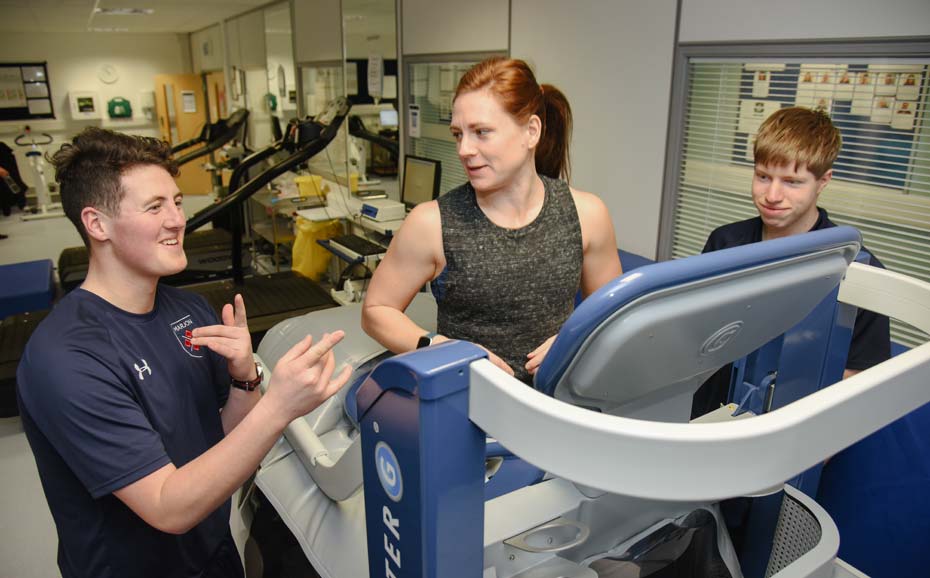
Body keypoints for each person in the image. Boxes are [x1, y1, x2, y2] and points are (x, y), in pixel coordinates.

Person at [17, 127, 351, 578]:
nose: (178, 220)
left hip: (213, 553)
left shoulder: (188, 309)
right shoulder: (66, 358)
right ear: (97, 224)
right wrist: (279, 407)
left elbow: (219, 439)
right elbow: (165, 506)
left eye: (176, 202)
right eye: (155, 207)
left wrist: (244, 379)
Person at [361, 57, 622, 384]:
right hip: (466, 404)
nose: (464, 149)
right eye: (458, 134)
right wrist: (439, 347)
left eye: (481, 132)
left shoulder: (587, 215)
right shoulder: (431, 223)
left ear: (531, 131)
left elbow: (614, 318)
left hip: (557, 400)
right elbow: (376, 311)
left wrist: (575, 342)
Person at [691, 106, 891, 418]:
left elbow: (860, 375)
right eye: (762, 176)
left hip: (795, 427)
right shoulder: (725, 242)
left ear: (823, 181)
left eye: (792, 182)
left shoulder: (858, 268)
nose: (772, 194)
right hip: (708, 414)